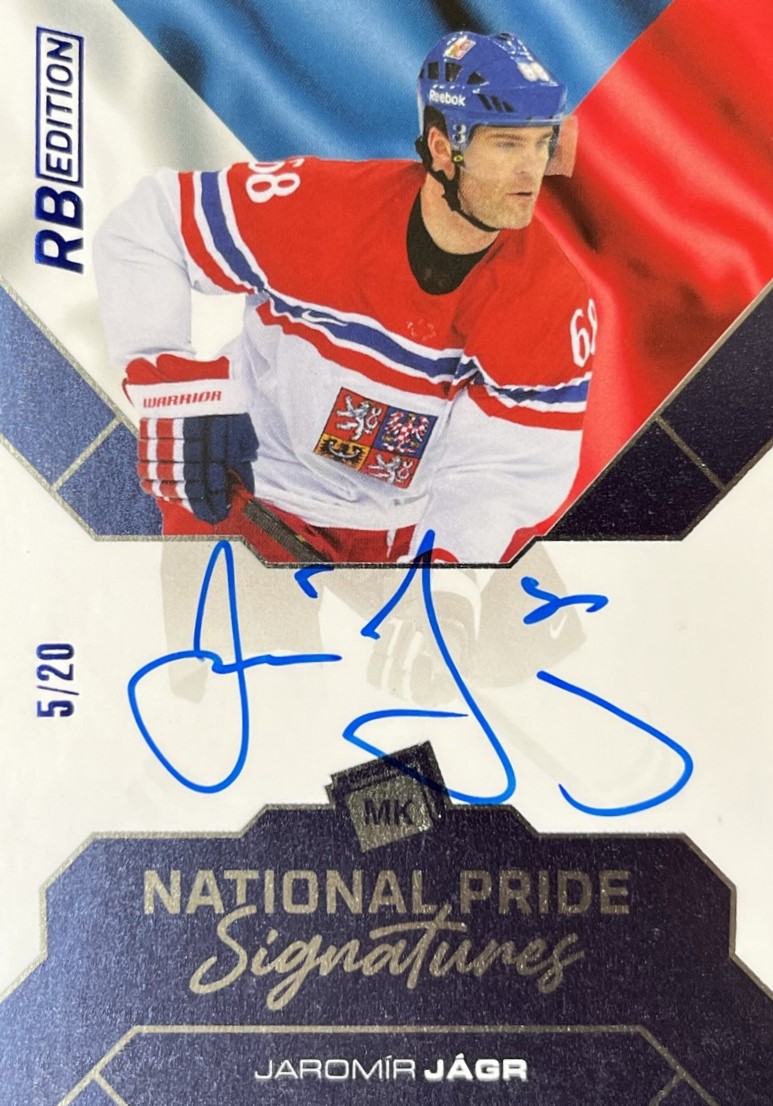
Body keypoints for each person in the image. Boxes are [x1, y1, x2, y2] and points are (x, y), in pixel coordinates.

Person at [94, 30, 595, 564]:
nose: (531, 169)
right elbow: (150, 225)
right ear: (443, 149)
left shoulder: (552, 298)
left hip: (405, 521)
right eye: (507, 144)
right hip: (255, 487)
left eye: (542, 143)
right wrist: (172, 390)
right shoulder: (317, 209)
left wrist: (446, 570)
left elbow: (507, 471)